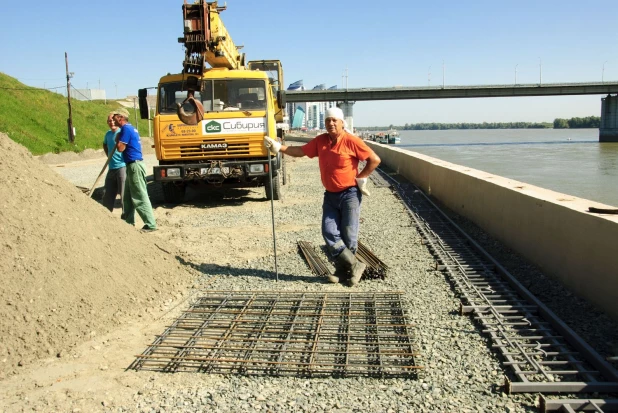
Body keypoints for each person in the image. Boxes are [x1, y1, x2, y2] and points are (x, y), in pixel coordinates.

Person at [264, 107, 381, 286]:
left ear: (342, 123)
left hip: (350, 194)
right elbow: (300, 151)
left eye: (334, 120)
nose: (331, 123)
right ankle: (356, 264)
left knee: (349, 234)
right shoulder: (321, 141)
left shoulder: (351, 141)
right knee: (329, 231)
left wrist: (362, 177)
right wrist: (278, 147)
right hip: (331, 195)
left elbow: (374, 159)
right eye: (328, 120)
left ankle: (343, 272)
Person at [112, 108, 157, 232]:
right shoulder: (130, 128)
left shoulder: (126, 129)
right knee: (127, 196)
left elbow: (120, 148)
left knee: (139, 195)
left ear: (120, 118)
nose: (112, 119)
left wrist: (117, 138)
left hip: (134, 166)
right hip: (131, 165)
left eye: (114, 116)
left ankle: (150, 224)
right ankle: (128, 221)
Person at [102, 112, 126, 213]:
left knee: (123, 194)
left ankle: (127, 216)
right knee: (107, 193)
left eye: (113, 120)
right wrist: (108, 156)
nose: (111, 122)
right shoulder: (108, 134)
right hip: (111, 168)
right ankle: (107, 215)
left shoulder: (121, 132)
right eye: (109, 121)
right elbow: (104, 144)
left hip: (122, 167)